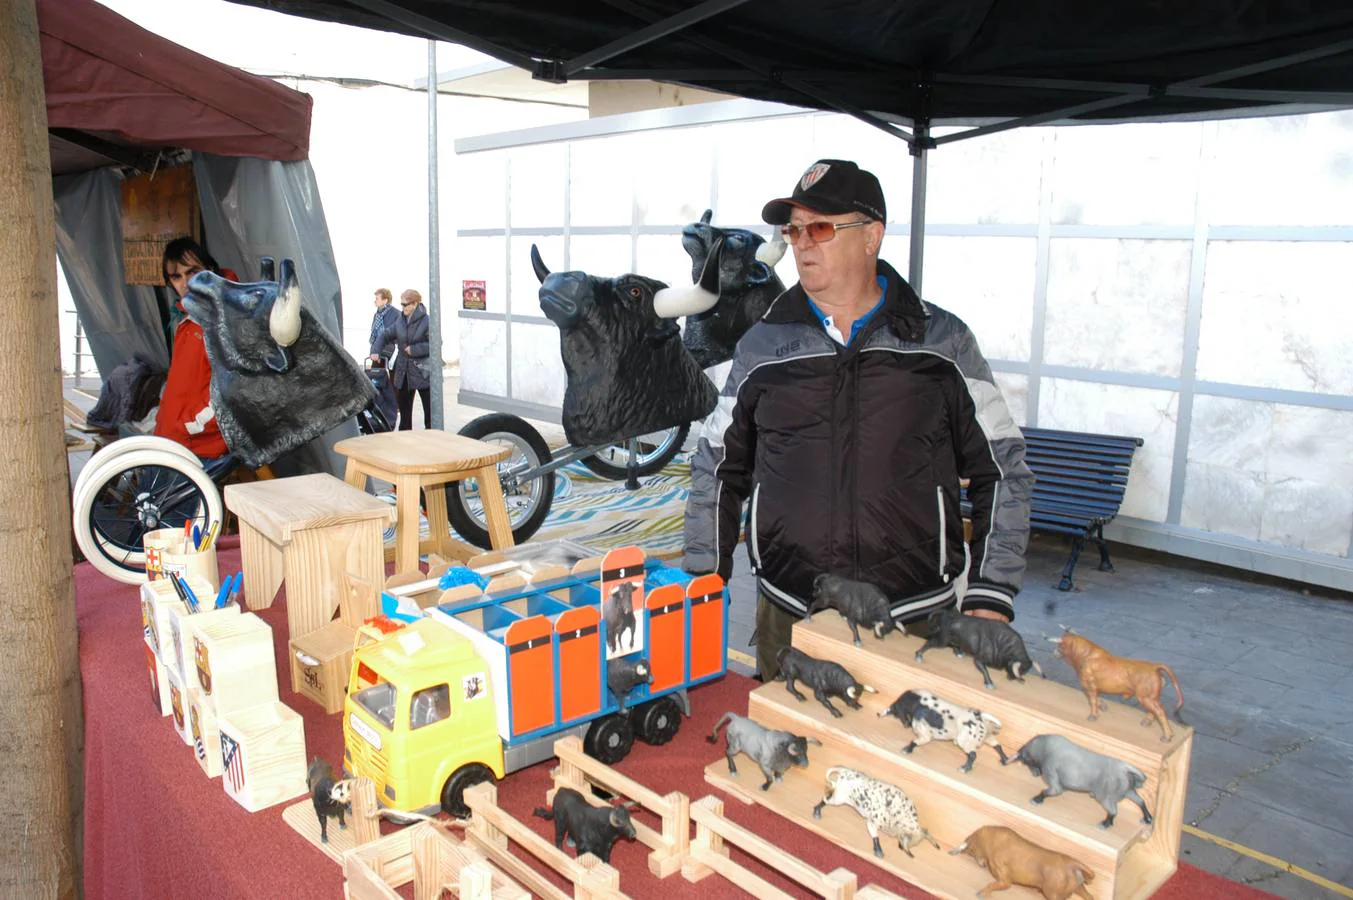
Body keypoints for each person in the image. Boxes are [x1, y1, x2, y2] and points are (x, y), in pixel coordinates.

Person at [682, 159, 1034, 681]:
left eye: (820, 227)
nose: (802, 243)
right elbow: (717, 467)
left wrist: (990, 591)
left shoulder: (942, 344)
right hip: (789, 616)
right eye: (793, 229)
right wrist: (702, 580)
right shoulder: (762, 345)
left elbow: (1003, 471)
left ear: (872, 236)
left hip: (916, 622)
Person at [154, 236, 236, 459]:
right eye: (176, 276)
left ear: (210, 269)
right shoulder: (187, 321)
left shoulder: (223, 319)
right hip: (173, 440)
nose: (186, 282)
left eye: (192, 272)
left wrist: (189, 426)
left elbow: (233, 390)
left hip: (196, 445)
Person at [373, 288, 432, 430]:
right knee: (404, 413)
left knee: (429, 413)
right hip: (404, 371)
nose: (403, 308)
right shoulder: (401, 320)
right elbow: (385, 335)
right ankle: (405, 440)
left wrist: (414, 350)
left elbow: (436, 343)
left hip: (423, 371)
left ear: (416, 304)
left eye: (406, 305)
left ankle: (432, 440)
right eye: (402, 304)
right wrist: (375, 350)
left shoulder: (427, 321)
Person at [367, 287, 401, 427]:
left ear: (385, 300)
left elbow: (394, 333)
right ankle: (379, 403)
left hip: (390, 351)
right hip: (377, 350)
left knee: (393, 380)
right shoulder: (377, 314)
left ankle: (394, 406)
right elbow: (375, 333)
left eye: (377, 298)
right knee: (376, 377)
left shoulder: (395, 314)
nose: (375, 300)